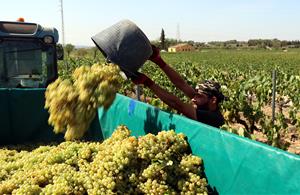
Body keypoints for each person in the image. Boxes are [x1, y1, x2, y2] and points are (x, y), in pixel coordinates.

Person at [131, 45, 225, 128]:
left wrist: (148, 82)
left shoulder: (213, 118)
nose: (193, 99)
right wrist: (158, 61)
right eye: (195, 95)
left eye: (199, 96)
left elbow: (177, 104)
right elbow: (181, 84)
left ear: (213, 100)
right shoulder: (203, 103)